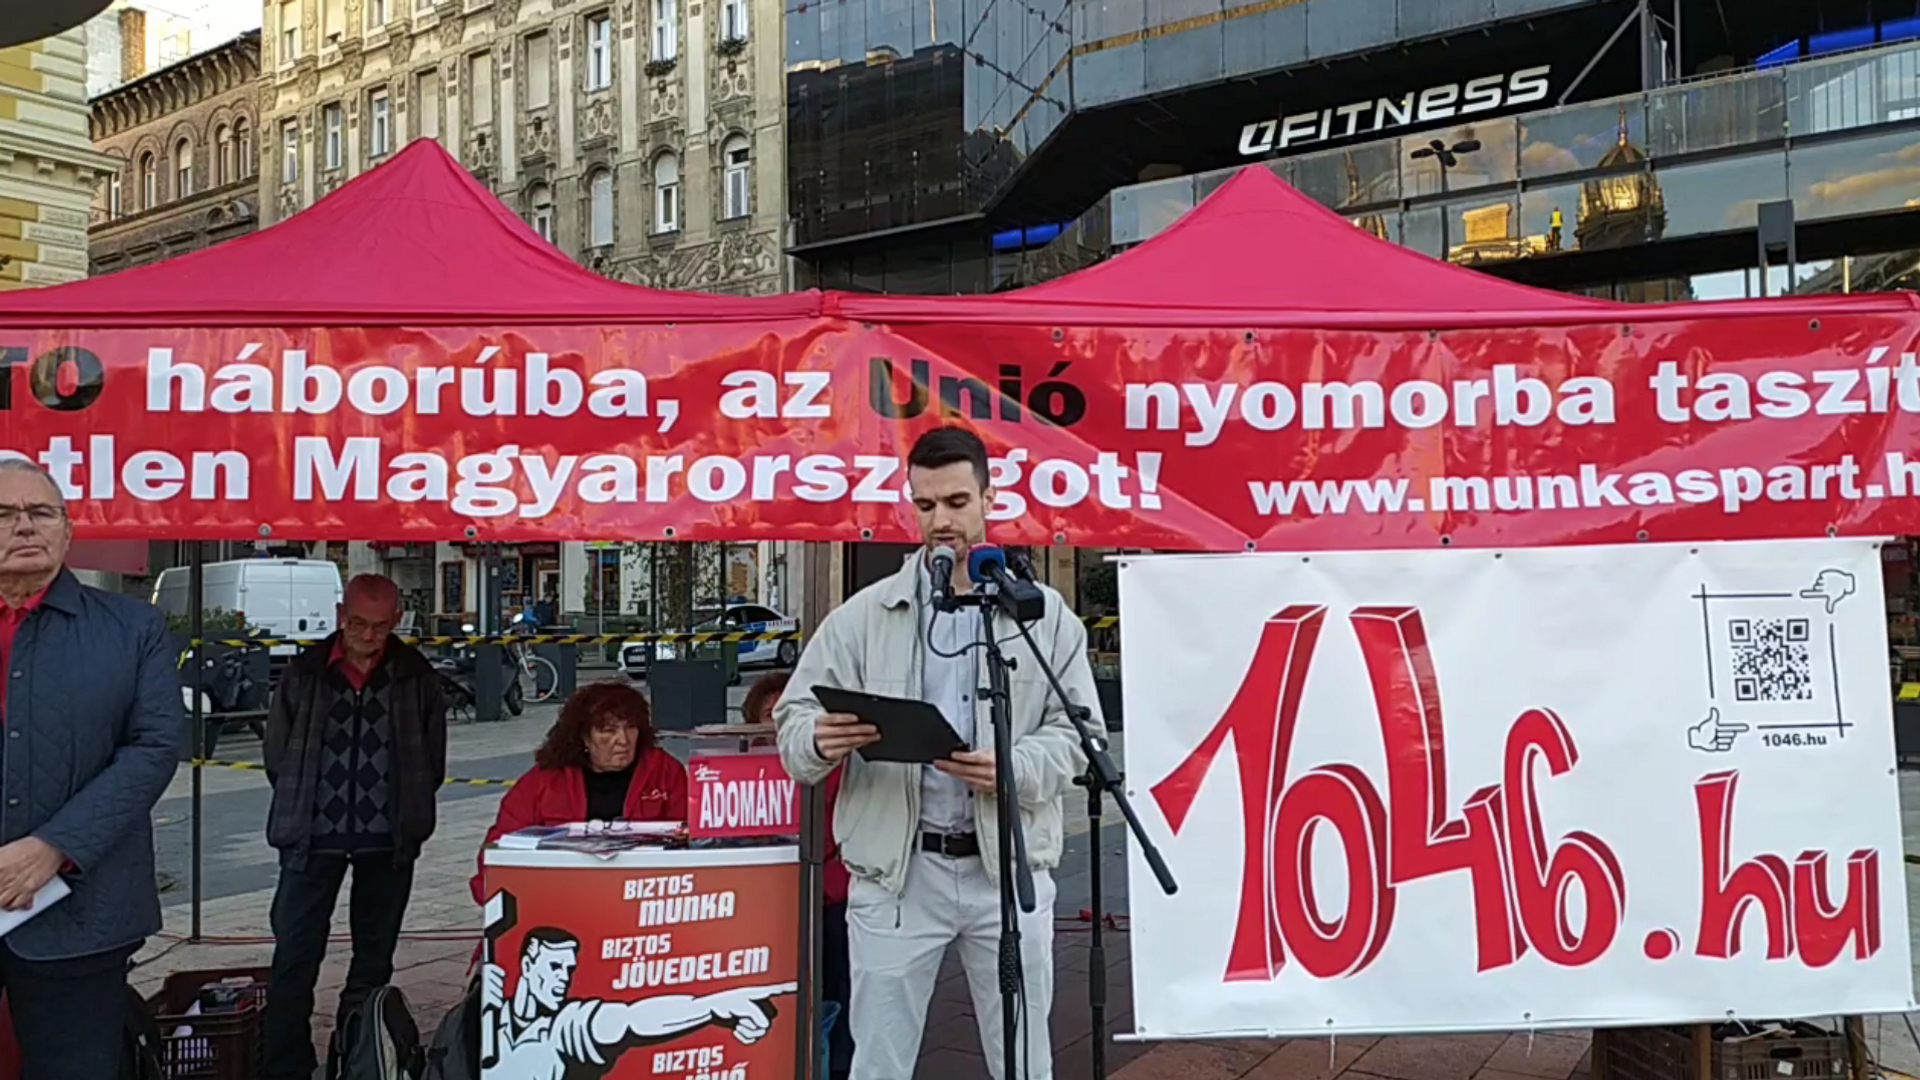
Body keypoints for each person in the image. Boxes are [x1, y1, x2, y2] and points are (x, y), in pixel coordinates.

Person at [774, 425, 1097, 1080]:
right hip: (898, 875)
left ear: (988, 497)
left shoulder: (1047, 617)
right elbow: (792, 720)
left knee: (1025, 1058)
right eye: (925, 506)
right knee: (879, 1062)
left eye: (955, 502)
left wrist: (1014, 766)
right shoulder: (863, 615)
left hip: (1003, 871)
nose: (941, 521)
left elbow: (1080, 733)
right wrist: (816, 737)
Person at [0, 458, 181, 1080]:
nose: (24, 525)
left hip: (80, 910)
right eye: (4, 514)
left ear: (67, 531)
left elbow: (155, 746)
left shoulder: (133, 628)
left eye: (41, 512)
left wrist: (55, 847)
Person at [262, 573, 449, 1080]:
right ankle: (284, 1066)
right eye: (359, 623)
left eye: (380, 626)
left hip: (386, 840)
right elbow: (277, 755)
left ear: (397, 622)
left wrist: (409, 810)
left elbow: (431, 760)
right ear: (341, 615)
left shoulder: (415, 675)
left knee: (374, 959)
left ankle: (359, 1058)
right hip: (310, 837)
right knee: (295, 955)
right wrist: (304, 803)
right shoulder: (305, 672)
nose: (368, 635)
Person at [480, 922, 797, 1080]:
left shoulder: (564, 1025)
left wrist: (708, 1007)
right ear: (527, 963)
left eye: (569, 969)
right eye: (554, 967)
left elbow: (630, 1019)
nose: (564, 977)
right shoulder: (492, 1014)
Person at [471, 682, 687, 902]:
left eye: (630, 727)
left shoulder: (666, 771)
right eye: (608, 730)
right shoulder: (542, 781)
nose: (623, 740)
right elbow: (499, 848)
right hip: (561, 897)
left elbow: (693, 842)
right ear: (583, 737)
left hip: (644, 895)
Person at [744, 672, 852, 1080]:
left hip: (827, 897)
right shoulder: (744, 768)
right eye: (770, 717)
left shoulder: (835, 768)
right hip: (766, 903)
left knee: (837, 992)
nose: (778, 727)